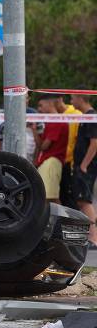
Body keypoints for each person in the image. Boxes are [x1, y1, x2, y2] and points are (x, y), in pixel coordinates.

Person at [70, 92, 97, 247]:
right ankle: (91, 237)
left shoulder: (91, 117)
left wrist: (84, 164)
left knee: (84, 200)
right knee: (82, 200)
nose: (71, 101)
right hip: (82, 166)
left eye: (73, 98)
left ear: (81, 98)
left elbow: (95, 143)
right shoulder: (85, 117)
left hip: (87, 167)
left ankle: (93, 238)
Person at [35, 97, 69, 204]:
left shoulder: (56, 121)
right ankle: (57, 220)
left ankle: (58, 220)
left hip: (52, 162)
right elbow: (42, 146)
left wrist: (34, 131)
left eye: (41, 105)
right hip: (48, 161)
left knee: (48, 197)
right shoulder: (51, 121)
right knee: (48, 196)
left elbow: (44, 146)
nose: (39, 109)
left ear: (49, 103)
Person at [0, 95, 43, 162]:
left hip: (31, 162)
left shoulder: (35, 115)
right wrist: (1, 161)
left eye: (26, 98)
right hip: (8, 160)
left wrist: (35, 162)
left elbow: (41, 142)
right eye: (21, 98)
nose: (25, 101)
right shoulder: (1, 117)